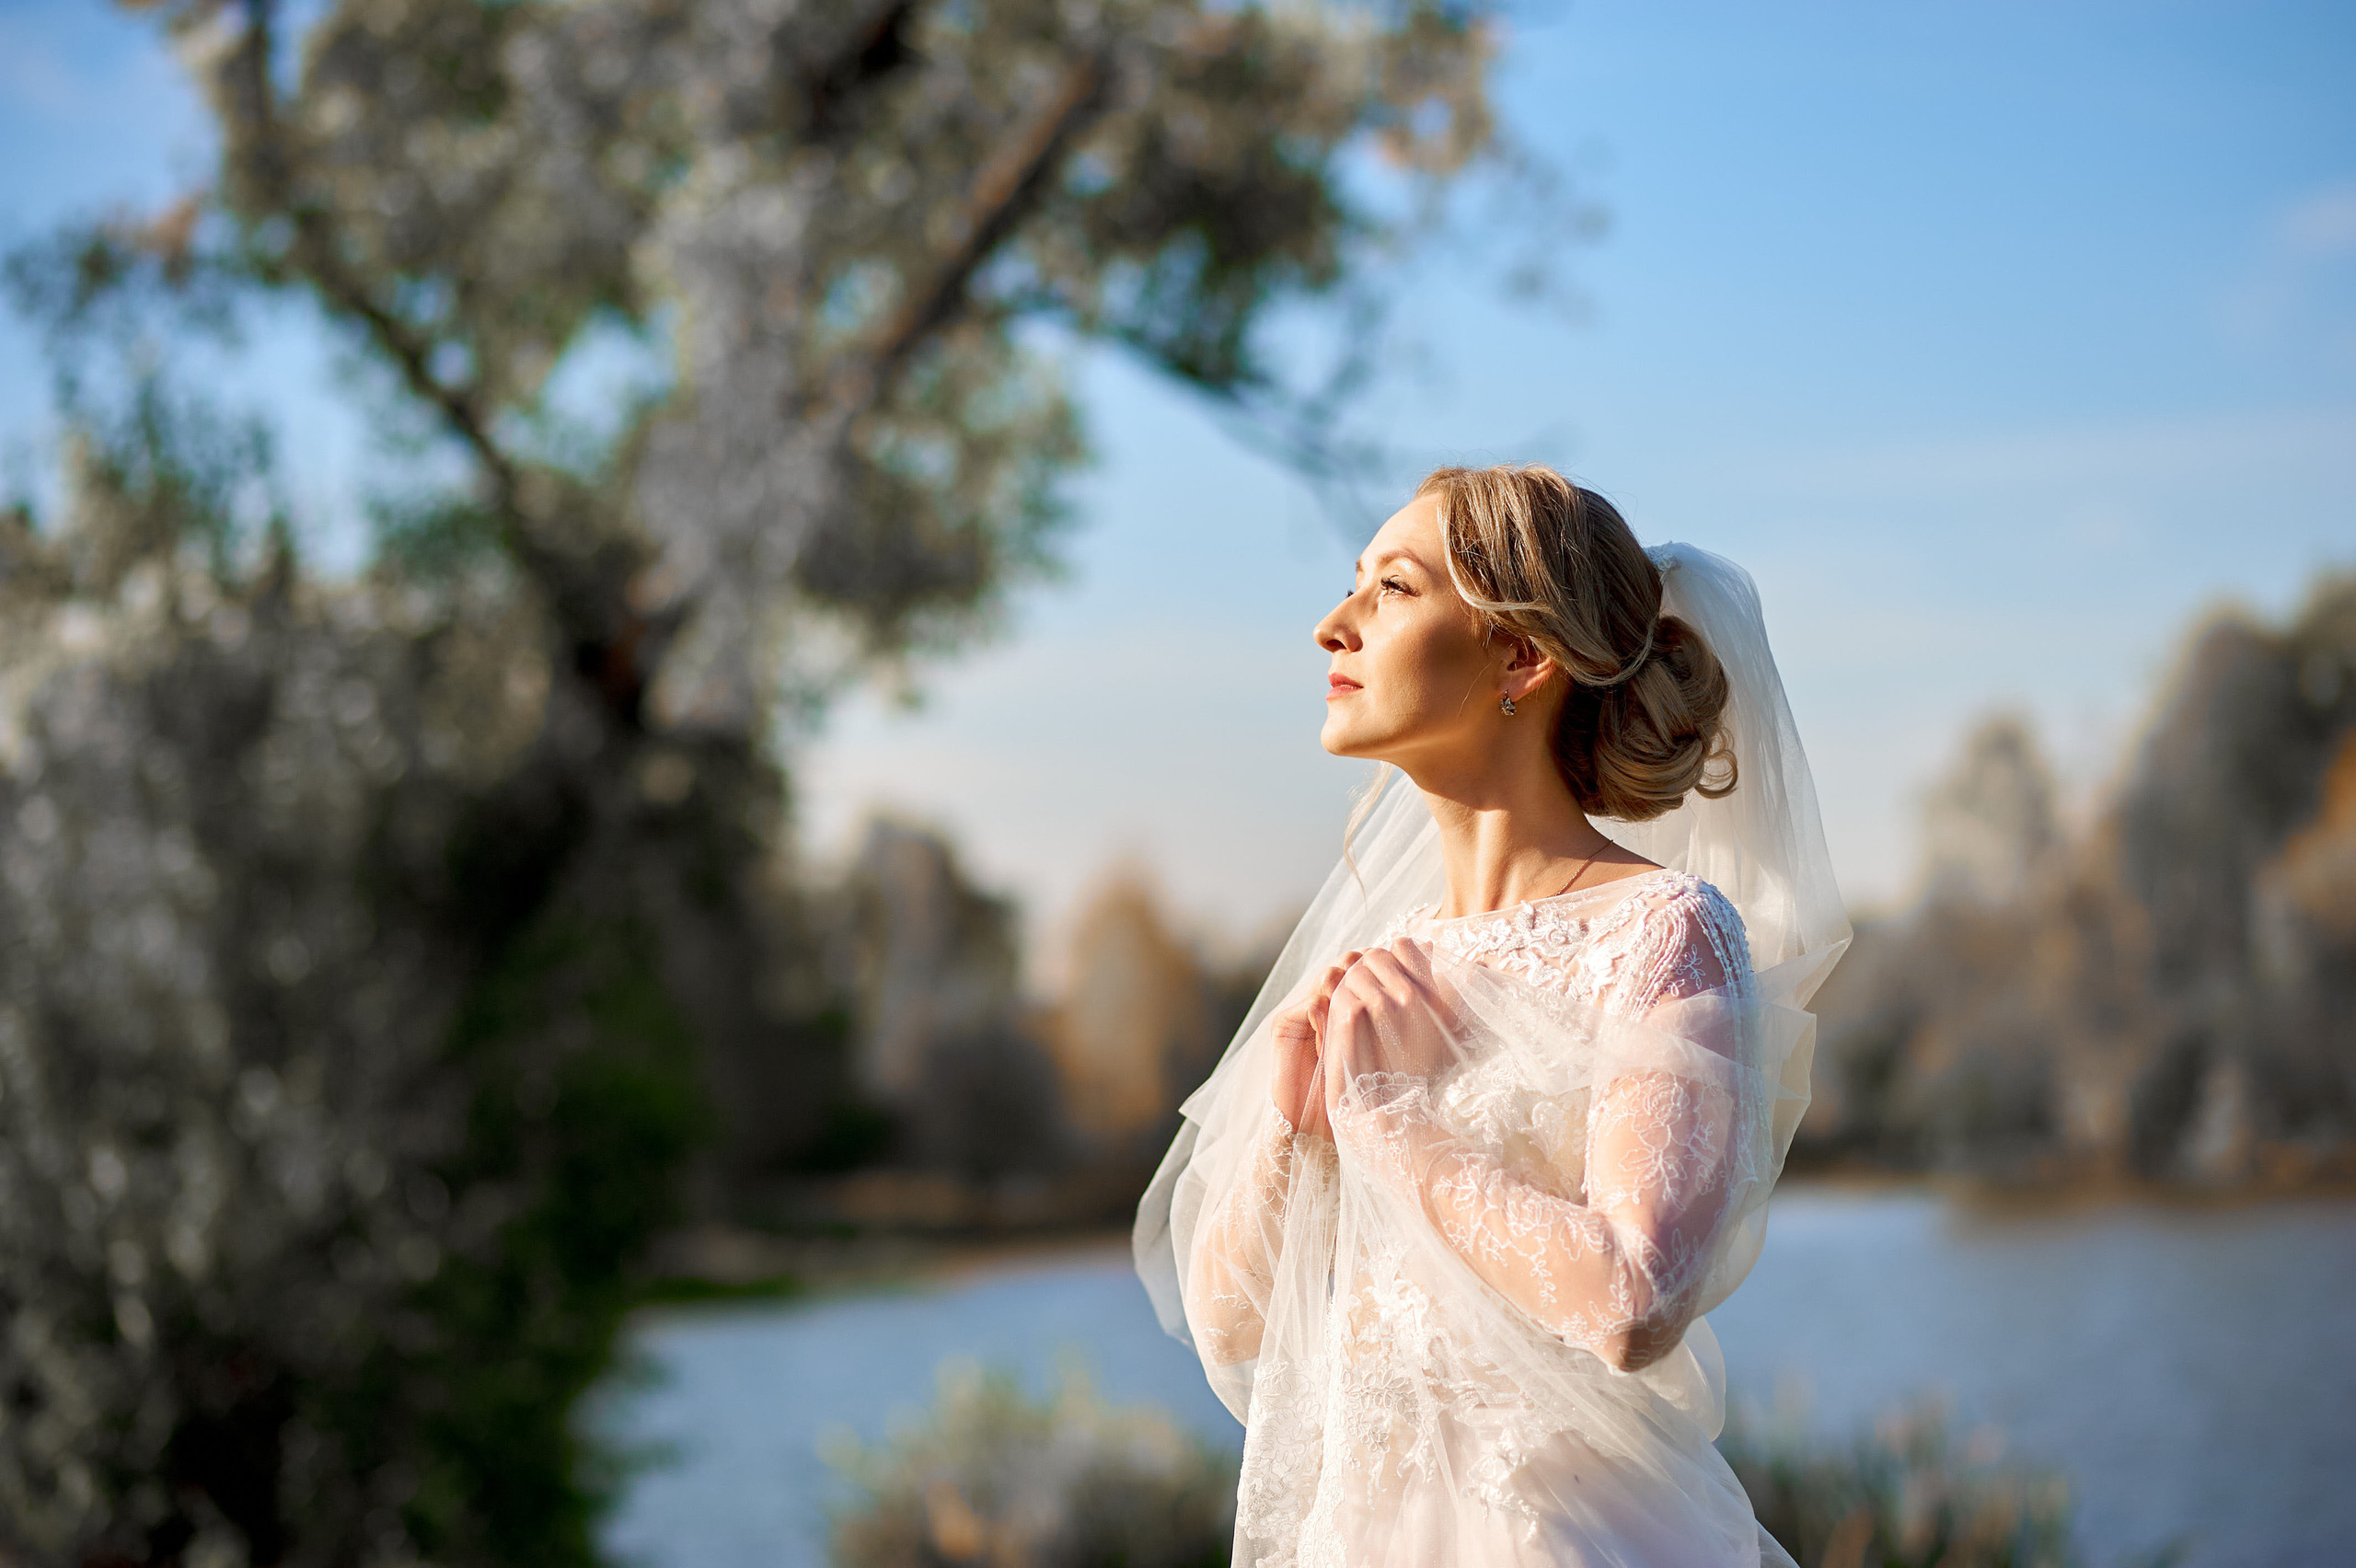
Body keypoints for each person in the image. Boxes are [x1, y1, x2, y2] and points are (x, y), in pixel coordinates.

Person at [1134, 465, 1851, 1566]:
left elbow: (1631, 1298)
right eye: (1350, 587)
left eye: (1393, 590)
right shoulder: (1376, 967)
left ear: (1521, 656)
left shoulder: (1662, 932)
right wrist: (1293, 1129)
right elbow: (1232, 1328)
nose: (1333, 627)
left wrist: (1383, 1119)